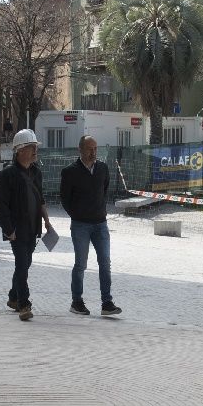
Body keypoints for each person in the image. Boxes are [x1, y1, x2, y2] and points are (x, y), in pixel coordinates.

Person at [0, 128, 55, 320]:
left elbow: (41, 200)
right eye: (31, 147)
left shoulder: (36, 172)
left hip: (33, 228)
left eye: (36, 147)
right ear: (19, 150)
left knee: (25, 263)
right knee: (22, 264)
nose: (35, 150)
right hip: (16, 230)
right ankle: (24, 304)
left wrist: (46, 222)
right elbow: (1, 206)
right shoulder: (7, 175)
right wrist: (8, 229)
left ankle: (13, 297)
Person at [59, 135, 120, 315]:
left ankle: (106, 303)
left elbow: (104, 190)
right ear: (80, 149)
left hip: (101, 224)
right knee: (80, 265)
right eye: (89, 149)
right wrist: (78, 214)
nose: (93, 152)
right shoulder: (70, 172)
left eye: (95, 149)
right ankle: (77, 302)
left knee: (105, 263)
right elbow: (65, 199)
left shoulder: (102, 168)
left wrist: (99, 211)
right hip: (80, 226)